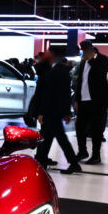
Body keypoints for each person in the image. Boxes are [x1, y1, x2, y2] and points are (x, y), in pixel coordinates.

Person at [33, 46, 81, 175]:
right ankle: (41, 160)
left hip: (52, 110)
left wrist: (42, 112)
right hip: (54, 110)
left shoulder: (57, 71)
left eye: (48, 52)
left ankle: (73, 163)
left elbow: (54, 94)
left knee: (59, 137)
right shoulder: (58, 70)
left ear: (53, 55)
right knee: (48, 136)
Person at [72, 40, 108, 165]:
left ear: (91, 50)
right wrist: (77, 99)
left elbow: (101, 73)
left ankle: (96, 155)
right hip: (83, 100)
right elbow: (80, 81)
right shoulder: (83, 62)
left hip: (96, 101)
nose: (83, 53)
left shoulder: (101, 59)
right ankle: (82, 151)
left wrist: (91, 60)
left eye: (84, 50)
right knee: (80, 127)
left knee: (95, 129)